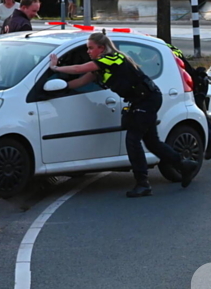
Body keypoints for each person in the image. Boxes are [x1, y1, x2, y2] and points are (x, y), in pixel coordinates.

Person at [48, 32, 197, 197]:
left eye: (91, 48)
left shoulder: (112, 58)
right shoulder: (101, 66)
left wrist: (55, 67)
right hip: (141, 100)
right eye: (87, 48)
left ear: (102, 48)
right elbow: (79, 81)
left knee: (133, 140)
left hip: (147, 99)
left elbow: (79, 69)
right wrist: (58, 86)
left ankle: (143, 183)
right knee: (152, 142)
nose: (88, 51)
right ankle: (184, 165)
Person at [167, 43, 211, 163]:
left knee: (200, 120)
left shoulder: (158, 49)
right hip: (194, 84)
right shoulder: (166, 46)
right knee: (204, 121)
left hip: (192, 87)